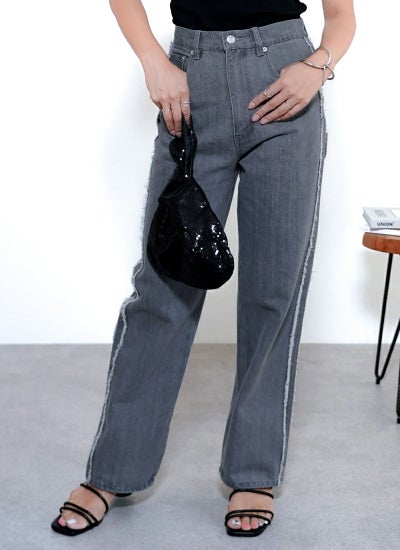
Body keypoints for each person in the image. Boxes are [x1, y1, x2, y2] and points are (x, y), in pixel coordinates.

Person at [51, 0, 356, 538]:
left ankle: (253, 472)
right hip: (190, 85)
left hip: (285, 85)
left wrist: (318, 66)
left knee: (273, 293)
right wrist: (154, 60)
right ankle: (112, 470)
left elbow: (342, 16)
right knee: (162, 291)